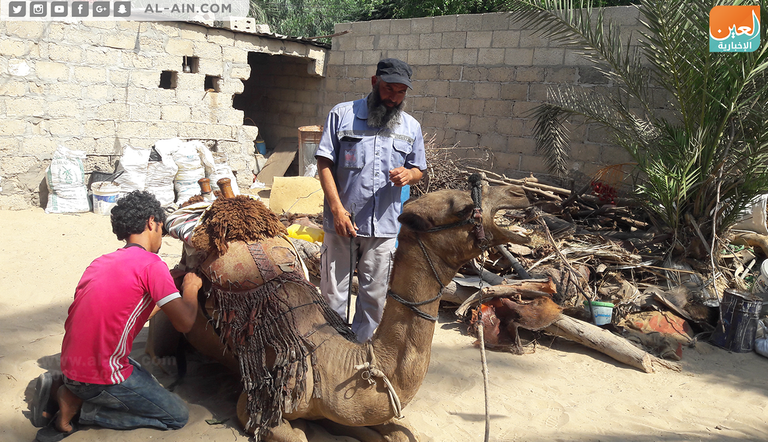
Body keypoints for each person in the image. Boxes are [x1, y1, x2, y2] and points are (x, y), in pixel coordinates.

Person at [32, 190, 202, 442]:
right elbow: (185, 322)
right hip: (99, 375)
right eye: (161, 230)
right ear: (151, 222)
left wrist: (168, 295)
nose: (161, 238)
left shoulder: (101, 262)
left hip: (73, 364)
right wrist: (190, 288)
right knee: (176, 416)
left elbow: (127, 314)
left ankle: (64, 386)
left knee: (147, 382)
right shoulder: (152, 264)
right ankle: (80, 409)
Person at [315, 58, 427, 342]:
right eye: (389, 89)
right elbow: (324, 163)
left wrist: (409, 175)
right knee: (333, 294)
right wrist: (338, 210)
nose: (394, 98)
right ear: (375, 82)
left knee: (374, 297)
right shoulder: (342, 115)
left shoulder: (410, 127)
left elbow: (419, 170)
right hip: (342, 223)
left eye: (401, 92)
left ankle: (359, 346)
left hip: (384, 226)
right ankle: (333, 347)